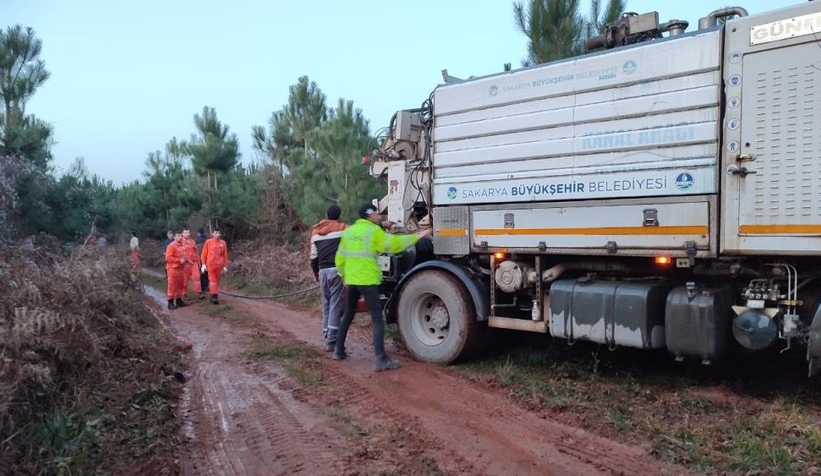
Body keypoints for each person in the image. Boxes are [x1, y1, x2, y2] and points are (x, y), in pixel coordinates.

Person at [333, 203, 432, 371]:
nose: (379, 216)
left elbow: (340, 258)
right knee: (378, 320)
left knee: (349, 314)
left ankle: (338, 350)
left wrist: (343, 276)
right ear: (370, 215)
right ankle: (381, 359)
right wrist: (419, 235)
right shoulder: (373, 232)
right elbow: (394, 244)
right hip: (368, 281)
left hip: (352, 281)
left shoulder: (349, 232)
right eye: (377, 213)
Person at [310, 204, 348, 351]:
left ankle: (326, 335)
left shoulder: (315, 232)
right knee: (335, 305)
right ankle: (332, 341)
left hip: (322, 271)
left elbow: (313, 256)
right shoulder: (343, 228)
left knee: (326, 305)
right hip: (336, 271)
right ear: (339, 216)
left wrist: (316, 273)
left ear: (326, 215)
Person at [201, 229, 228, 304]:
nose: (218, 234)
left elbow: (225, 255)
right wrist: (203, 264)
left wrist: (225, 266)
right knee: (213, 281)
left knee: (217, 281)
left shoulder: (223, 243)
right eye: (216, 233)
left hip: (219, 266)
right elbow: (204, 254)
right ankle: (214, 296)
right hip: (211, 265)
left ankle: (212, 294)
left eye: (219, 233)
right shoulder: (208, 242)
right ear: (212, 234)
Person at [164, 231, 189, 309]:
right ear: (174, 237)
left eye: (181, 236)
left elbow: (183, 256)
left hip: (181, 268)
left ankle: (179, 300)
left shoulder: (182, 246)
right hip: (173, 269)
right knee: (172, 285)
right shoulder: (171, 246)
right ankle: (170, 302)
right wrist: (178, 260)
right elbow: (168, 258)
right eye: (178, 236)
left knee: (180, 285)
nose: (180, 237)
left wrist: (187, 260)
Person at [181, 229, 202, 298]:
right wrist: (186, 259)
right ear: (182, 234)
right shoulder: (180, 242)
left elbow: (196, 252)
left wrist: (199, 263)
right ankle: (183, 293)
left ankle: (199, 292)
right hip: (185, 264)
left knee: (197, 277)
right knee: (184, 279)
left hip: (194, 262)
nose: (187, 234)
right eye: (185, 232)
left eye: (188, 232)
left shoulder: (192, 241)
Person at [195, 228, 209, 299]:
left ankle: (202, 289)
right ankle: (206, 286)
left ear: (198, 233)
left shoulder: (196, 241)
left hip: (200, 259)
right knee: (207, 273)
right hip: (208, 259)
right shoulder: (208, 239)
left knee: (202, 274)